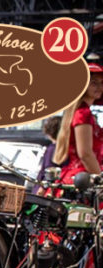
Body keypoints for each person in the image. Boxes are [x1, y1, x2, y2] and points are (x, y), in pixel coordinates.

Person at [52, 63, 103, 192]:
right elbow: (85, 154)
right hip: (84, 183)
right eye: (94, 83)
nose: (100, 87)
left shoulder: (83, 112)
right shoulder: (83, 113)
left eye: (101, 83)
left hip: (81, 179)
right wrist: (101, 181)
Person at [34, 115, 61, 194]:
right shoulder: (62, 148)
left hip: (45, 191)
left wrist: (42, 189)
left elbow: (49, 171)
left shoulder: (52, 149)